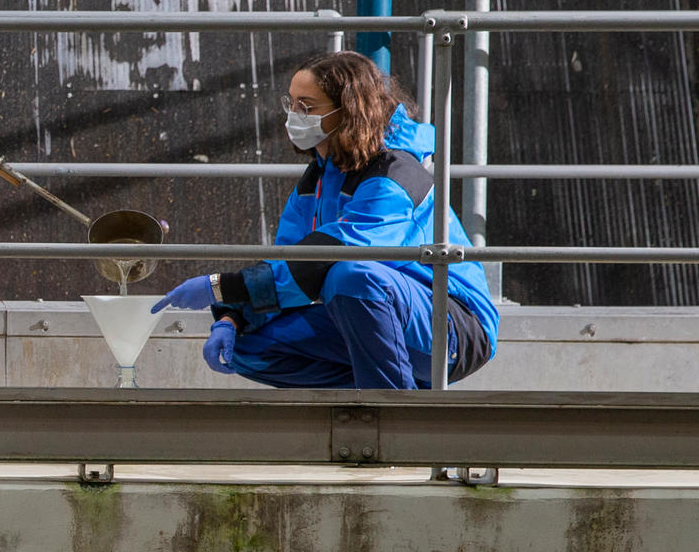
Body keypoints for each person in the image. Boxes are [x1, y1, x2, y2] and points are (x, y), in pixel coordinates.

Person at [152, 49, 498, 389]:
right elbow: (288, 261)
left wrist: (219, 286)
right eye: (291, 103)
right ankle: (382, 392)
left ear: (346, 110)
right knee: (248, 348)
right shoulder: (317, 179)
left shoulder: (396, 174)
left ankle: (396, 418)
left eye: (307, 106)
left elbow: (336, 253)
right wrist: (232, 315)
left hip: (452, 328)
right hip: (374, 315)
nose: (294, 115)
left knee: (350, 275)